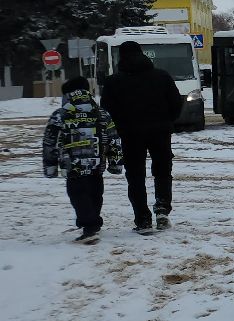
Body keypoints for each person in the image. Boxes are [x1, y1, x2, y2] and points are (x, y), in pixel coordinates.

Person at [101, 40, 184, 234]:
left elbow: (106, 112)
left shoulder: (113, 82)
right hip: (160, 133)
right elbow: (176, 103)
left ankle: (142, 219)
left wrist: (120, 127)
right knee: (163, 171)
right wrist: (167, 122)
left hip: (130, 135)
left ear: (121, 57)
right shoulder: (162, 77)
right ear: (142, 53)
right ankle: (162, 210)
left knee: (135, 176)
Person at [42, 77, 124, 245]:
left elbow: (50, 142)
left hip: (73, 166)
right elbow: (114, 138)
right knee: (95, 194)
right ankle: (93, 221)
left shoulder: (60, 115)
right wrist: (115, 162)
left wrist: (50, 166)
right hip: (96, 165)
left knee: (78, 195)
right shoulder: (101, 113)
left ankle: (89, 227)